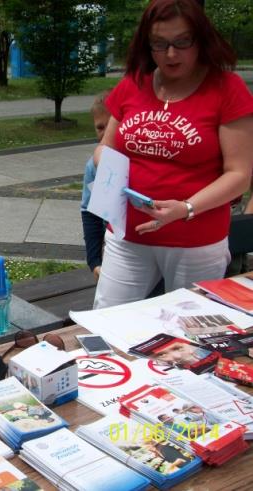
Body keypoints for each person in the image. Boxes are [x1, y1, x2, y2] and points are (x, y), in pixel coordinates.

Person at [93, 0, 253, 309]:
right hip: (128, 235)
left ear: (201, 39)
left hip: (194, 239)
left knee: (187, 333)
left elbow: (239, 175)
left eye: (182, 42)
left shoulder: (226, 88)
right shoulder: (133, 83)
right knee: (106, 319)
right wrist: (106, 164)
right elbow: (104, 148)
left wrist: (187, 208)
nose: (170, 54)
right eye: (159, 43)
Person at [80, 91, 110, 281]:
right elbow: (90, 211)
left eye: (112, 125)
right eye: (100, 127)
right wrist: (94, 261)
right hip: (112, 250)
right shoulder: (94, 166)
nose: (106, 133)